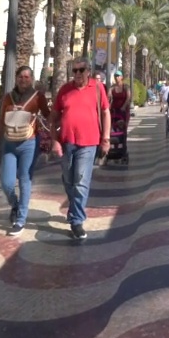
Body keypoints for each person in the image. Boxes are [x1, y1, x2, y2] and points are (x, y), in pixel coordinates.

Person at [49, 57, 110, 240]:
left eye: (81, 70)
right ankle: (74, 211)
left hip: (89, 142)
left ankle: (76, 221)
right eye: (74, 70)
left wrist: (106, 138)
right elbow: (53, 116)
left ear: (88, 71)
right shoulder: (65, 90)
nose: (77, 74)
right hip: (67, 142)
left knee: (81, 182)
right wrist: (54, 140)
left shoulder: (97, 88)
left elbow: (105, 112)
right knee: (69, 180)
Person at [0, 66, 49, 236]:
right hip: (9, 143)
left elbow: (48, 115)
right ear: (16, 78)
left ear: (32, 79)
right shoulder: (8, 98)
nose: (23, 80)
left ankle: (21, 219)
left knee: (24, 180)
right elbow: (0, 121)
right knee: (6, 183)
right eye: (21, 77)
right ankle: (15, 204)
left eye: (27, 77)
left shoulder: (38, 97)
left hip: (29, 143)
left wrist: (56, 135)